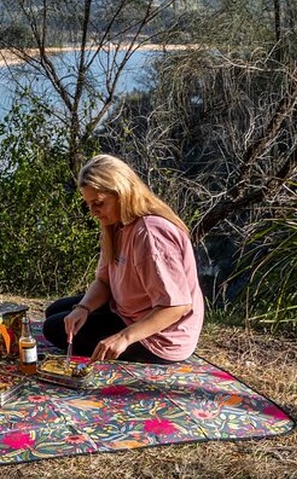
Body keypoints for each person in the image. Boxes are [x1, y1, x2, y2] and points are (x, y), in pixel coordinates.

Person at [42, 154, 204, 364]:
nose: (93, 212)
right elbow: (104, 281)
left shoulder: (151, 233)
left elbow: (176, 306)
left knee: (53, 328)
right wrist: (83, 308)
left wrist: (123, 337)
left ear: (121, 193)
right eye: (89, 204)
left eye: (98, 203)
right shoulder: (116, 226)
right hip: (129, 308)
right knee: (57, 313)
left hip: (160, 335)